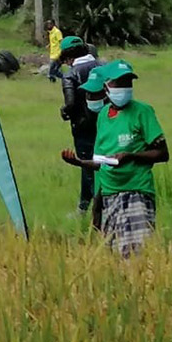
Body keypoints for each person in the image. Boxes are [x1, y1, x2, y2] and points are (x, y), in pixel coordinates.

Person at [62, 60, 168, 257]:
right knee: (114, 256)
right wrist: (78, 162)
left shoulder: (143, 111)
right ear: (107, 87)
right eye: (119, 83)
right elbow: (100, 161)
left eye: (128, 83)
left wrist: (130, 156)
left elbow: (162, 153)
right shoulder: (103, 116)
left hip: (136, 190)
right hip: (110, 195)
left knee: (137, 255)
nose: (125, 88)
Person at [58, 35, 102, 214]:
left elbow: (70, 104)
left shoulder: (70, 74)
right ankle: (92, 205)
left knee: (86, 165)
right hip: (107, 122)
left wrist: (64, 111)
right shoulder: (103, 66)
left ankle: (91, 209)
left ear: (68, 58)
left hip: (84, 127)